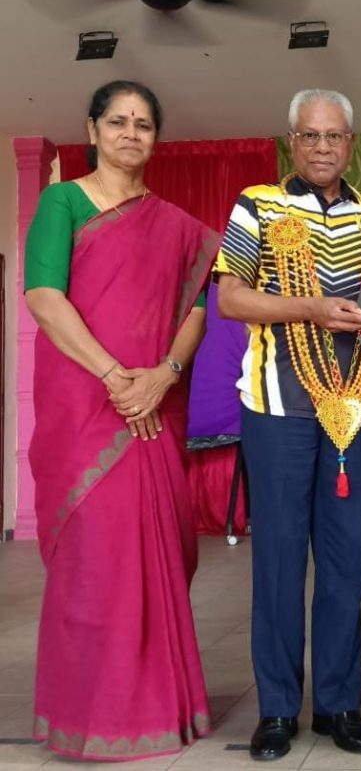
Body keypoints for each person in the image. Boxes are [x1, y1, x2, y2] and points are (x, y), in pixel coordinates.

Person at [25, 80, 217, 761]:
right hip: (86, 409)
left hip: (153, 408)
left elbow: (198, 307)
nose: (130, 133)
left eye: (143, 123)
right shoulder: (63, 202)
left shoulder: (177, 226)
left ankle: (162, 708)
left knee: (157, 549)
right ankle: (91, 714)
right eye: (117, 121)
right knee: (94, 561)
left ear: (156, 138)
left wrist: (164, 373)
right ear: (93, 129)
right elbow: (44, 297)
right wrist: (113, 375)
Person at [216, 89, 361, 760]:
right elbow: (232, 298)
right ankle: (279, 709)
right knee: (281, 560)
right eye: (310, 135)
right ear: (292, 141)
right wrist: (311, 307)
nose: (322, 147)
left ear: (351, 143)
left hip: (356, 406)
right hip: (277, 407)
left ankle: (339, 704)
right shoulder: (257, 203)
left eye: (334, 135)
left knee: (347, 561)